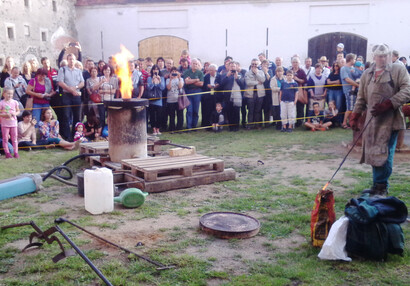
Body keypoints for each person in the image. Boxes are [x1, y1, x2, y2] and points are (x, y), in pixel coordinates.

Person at [350, 44, 410, 196]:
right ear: (374, 56)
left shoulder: (398, 70)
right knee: (374, 152)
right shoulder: (367, 74)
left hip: (391, 120)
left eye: (385, 55)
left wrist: (390, 103)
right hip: (372, 120)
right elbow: (361, 97)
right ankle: (377, 185)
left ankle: (382, 187)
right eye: (379, 56)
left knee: (385, 153)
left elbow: (407, 90)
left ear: (389, 56)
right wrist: (355, 115)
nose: (382, 58)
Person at [57, 53, 85, 141]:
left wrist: (75, 88)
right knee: (66, 116)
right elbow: (60, 82)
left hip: (76, 96)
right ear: (67, 60)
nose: (71, 61)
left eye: (73, 59)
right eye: (70, 59)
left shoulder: (78, 71)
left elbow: (82, 83)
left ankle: (75, 135)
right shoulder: (63, 70)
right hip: (66, 95)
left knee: (77, 116)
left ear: (75, 60)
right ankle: (67, 136)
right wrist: (70, 90)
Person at [220, 61, 245, 131]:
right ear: (228, 67)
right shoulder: (224, 75)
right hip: (228, 96)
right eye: (231, 66)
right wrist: (227, 76)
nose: (232, 68)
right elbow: (221, 85)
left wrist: (237, 78)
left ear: (236, 67)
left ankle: (236, 127)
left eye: (234, 66)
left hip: (237, 96)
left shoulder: (240, 74)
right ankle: (231, 127)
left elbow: (242, 85)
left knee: (236, 112)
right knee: (229, 112)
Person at [183, 58, 204, 130]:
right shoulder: (186, 72)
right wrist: (196, 80)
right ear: (191, 64)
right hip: (188, 92)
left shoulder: (200, 73)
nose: (195, 65)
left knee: (196, 110)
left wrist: (191, 81)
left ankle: (194, 126)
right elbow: (186, 82)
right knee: (189, 110)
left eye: (196, 64)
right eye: (194, 63)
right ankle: (189, 126)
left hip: (197, 92)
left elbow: (201, 84)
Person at [245, 58, 265, 129]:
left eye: (255, 64)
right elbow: (248, 82)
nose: (254, 65)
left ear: (258, 65)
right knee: (250, 110)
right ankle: (249, 125)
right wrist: (257, 82)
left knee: (258, 110)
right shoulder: (247, 73)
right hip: (250, 94)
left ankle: (257, 125)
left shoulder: (261, 72)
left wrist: (256, 73)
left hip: (260, 94)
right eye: (252, 64)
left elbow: (263, 80)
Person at [340, 53, 360, 129]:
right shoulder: (344, 68)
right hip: (349, 90)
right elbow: (347, 79)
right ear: (351, 59)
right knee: (350, 107)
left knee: (354, 107)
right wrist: (357, 85)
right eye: (354, 59)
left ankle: (352, 122)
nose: (355, 61)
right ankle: (344, 123)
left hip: (356, 90)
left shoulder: (354, 68)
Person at [0, 87, 20, 158]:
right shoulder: (1, 103)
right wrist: (5, 115)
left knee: (14, 138)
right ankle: (7, 153)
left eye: (11, 94)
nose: (10, 95)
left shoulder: (15, 102)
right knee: (5, 138)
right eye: (8, 93)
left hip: (13, 123)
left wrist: (15, 113)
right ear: (4, 94)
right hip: (5, 124)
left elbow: (18, 111)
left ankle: (16, 152)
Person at [147, 65, 165, 135]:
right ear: (152, 71)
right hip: (151, 99)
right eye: (154, 69)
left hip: (159, 100)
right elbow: (149, 88)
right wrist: (152, 81)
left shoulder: (162, 78)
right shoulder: (149, 78)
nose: (155, 71)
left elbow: (162, 88)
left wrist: (159, 81)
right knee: (152, 115)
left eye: (157, 69)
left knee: (159, 115)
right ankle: (153, 129)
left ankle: (158, 129)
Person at [202, 64, 220, 128]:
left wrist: (217, 86)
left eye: (212, 70)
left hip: (217, 96)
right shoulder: (206, 77)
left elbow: (222, 85)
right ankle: (207, 125)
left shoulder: (219, 76)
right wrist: (207, 86)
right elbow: (203, 86)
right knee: (208, 111)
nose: (210, 72)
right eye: (209, 70)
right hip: (208, 96)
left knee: (216, 111)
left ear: (216, 70)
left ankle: (216, 124)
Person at [290, 57, 307, 127]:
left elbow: (305, 81)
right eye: (294, 62)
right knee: (292, 107)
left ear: (299, 63)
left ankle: (300, 121)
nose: (295, 64)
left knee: (300, 107)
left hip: (299, 91)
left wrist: (297, 79)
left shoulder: (301, 71)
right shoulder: (289, 71)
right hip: (291, 91)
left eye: (296, 62)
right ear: (292, 63)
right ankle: (292, 121)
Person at [166, 67, 184, 132]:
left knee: (180, 115)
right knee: (171, 115)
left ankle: (179, 128)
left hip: (179, 100)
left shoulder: (181, 79)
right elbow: (168, 88)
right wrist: (170, 79)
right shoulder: (168, 80)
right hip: (170, 100)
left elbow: (180, 87)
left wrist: (179, 78)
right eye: (172, 71)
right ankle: (172, 128)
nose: (174, 73)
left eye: (175, 71)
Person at [270, 66, 284, 130]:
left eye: (280, 71)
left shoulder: (285, 78)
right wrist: (281, 89)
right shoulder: (273, 79)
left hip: (284, 97)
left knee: (283, 111)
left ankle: (284, 124)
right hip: (276, 97)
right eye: (278, 71)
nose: (279, 73)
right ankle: (278, 125)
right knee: (277, 112)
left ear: (283, 72)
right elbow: (273, 88)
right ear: (276, 72)